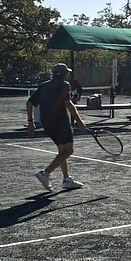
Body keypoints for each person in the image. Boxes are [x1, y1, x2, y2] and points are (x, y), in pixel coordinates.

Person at [27, 63, 89, 191]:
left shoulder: (44, 86)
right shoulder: (65, 85)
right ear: (64, 74)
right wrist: (80, 121)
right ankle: (45, 173)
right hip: (60, 121)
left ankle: (66, 179)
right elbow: (69, 104)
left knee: (62, 151)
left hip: (47, 122)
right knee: (69, 150)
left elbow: (29, 103)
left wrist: (30, 122)